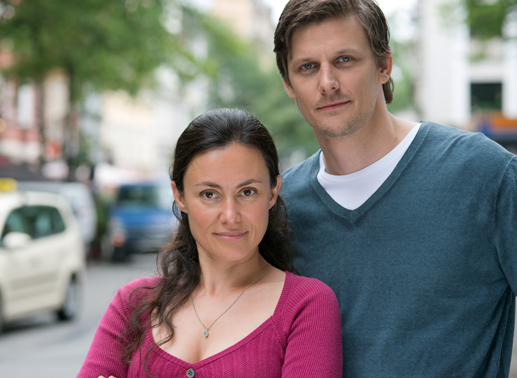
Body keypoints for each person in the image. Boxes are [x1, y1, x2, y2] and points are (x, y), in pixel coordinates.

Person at [274, 0, 517, 377]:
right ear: (289, 84)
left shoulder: (485, 174)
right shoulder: (281, 207)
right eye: (307, 67)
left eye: (344, 60)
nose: (327, 83)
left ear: (384, 66)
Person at [77, 108, 342, 378]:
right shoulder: (133, 304)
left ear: (273, 191)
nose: (230, 216)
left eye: (247, 192)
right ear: (179, 196)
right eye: (209, 194)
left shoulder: (305, 306)